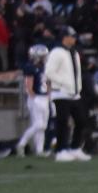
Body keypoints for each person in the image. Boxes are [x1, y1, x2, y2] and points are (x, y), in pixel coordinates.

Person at [44, 29, 93, 162]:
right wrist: (64, 83)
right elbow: (49, 72)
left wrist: (77, 87)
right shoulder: (56, 52)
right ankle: (61, 150)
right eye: (71, 36)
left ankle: (75, 147)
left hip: (74, 93)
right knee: (62, 122)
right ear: (64, 38)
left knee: (81, 120)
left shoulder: (74, 52)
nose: (74, 39)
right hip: (61, 92)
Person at [15, 44, 52, 158]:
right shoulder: (30, 67)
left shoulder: (45, 67)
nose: (45, 58)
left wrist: (49, 95)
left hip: (44, 97)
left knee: (43, 126)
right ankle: (21, 144)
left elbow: (48, 82)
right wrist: (33, 97)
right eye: (43, 56)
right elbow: (28, 85)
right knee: (38, 124)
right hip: (35, 98)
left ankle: (39, 150)